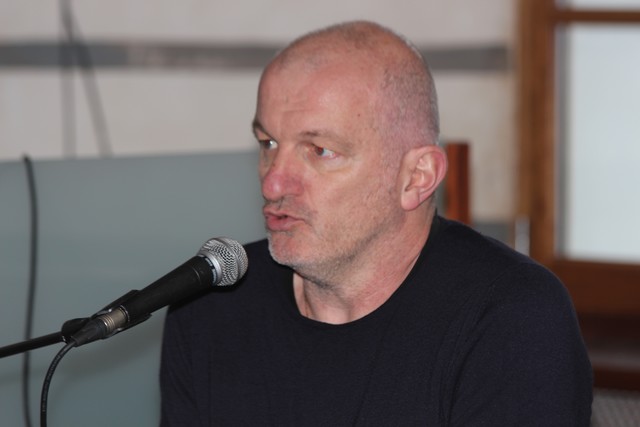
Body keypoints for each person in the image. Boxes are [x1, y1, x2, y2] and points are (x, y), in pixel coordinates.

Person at [160, 21, 592, 425]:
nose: (273, 182)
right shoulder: (212, 307)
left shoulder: (512, 319)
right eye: (268, 142)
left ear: (416, 177)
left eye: (320, 151)